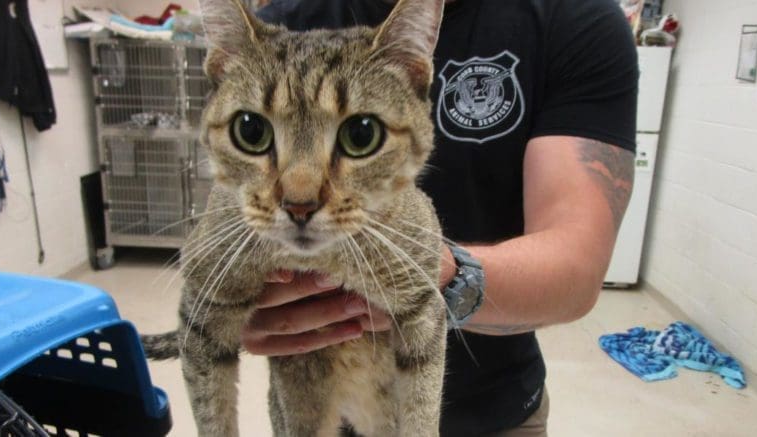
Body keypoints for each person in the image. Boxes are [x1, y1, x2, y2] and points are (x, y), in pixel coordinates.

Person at [241, 0, 639, 435]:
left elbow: (576, 270)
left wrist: (433, 273)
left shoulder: (574, 19)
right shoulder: (279, 21)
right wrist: (235, 303)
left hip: (496, 413)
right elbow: (234, 207)